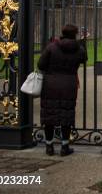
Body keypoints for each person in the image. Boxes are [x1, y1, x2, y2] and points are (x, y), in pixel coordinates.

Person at [37, 24, 87, 156]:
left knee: (49, 115)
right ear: (75, 34)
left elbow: (41, 64)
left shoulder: (52, 47)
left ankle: (49, 146)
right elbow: (84, 59)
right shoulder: (79, 48)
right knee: (66, 114)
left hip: (50, 84)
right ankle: (65, 146)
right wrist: (82, 43)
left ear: (63, 33)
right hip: (69, 84)